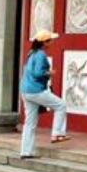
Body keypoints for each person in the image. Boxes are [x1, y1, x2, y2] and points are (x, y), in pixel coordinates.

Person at [19, 29, 69, 159]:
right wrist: (49, 73)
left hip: (26, 91)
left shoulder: (32, 53)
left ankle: (25, 151)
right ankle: (57, 133)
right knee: (61, 105)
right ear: (45, 42)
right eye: (50, 40)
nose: (52, 42)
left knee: (29, 122)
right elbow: (37, 73)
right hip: (36, 90)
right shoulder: (41, 54)